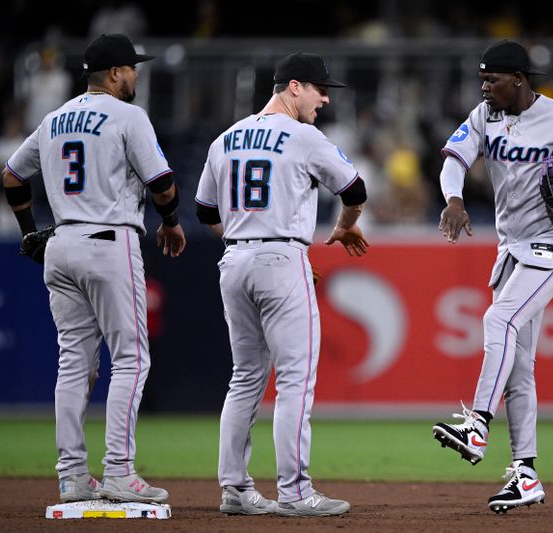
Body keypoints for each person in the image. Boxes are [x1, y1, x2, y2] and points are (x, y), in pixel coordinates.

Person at [431, 40, 553, 514]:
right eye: (482, 79)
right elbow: (454, 159)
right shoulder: (484, 116)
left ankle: (477, 425)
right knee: (518, 367)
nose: (484, 86)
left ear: (518, 78)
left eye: (492, 79)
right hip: (513, 249)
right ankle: (526, 474)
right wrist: (453, 198)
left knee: (499, 321)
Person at [2, 33, 186, 504]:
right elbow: (162, 183)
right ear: (115, 73)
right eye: (132, 69)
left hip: (61, 243)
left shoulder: (54, 118)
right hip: (110, 239)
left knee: (73, 364)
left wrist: (29, 230)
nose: (136, 75)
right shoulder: (128, 115)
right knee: (131, 358)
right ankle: (121, 472)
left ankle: (72, 476)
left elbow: (12, 176)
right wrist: (170, 222)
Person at [195, 52, 369, 517]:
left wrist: (245, 239)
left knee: (245, 378)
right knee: (294, 380)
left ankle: (234, 490)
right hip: (281, 256)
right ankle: (294, 492)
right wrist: (345, 226)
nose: (326, 98)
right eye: (319, 88)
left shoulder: (225, 139)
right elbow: (354, 191)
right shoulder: (304, 136)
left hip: (233, 260)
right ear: (294, 87)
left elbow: (205, 213)